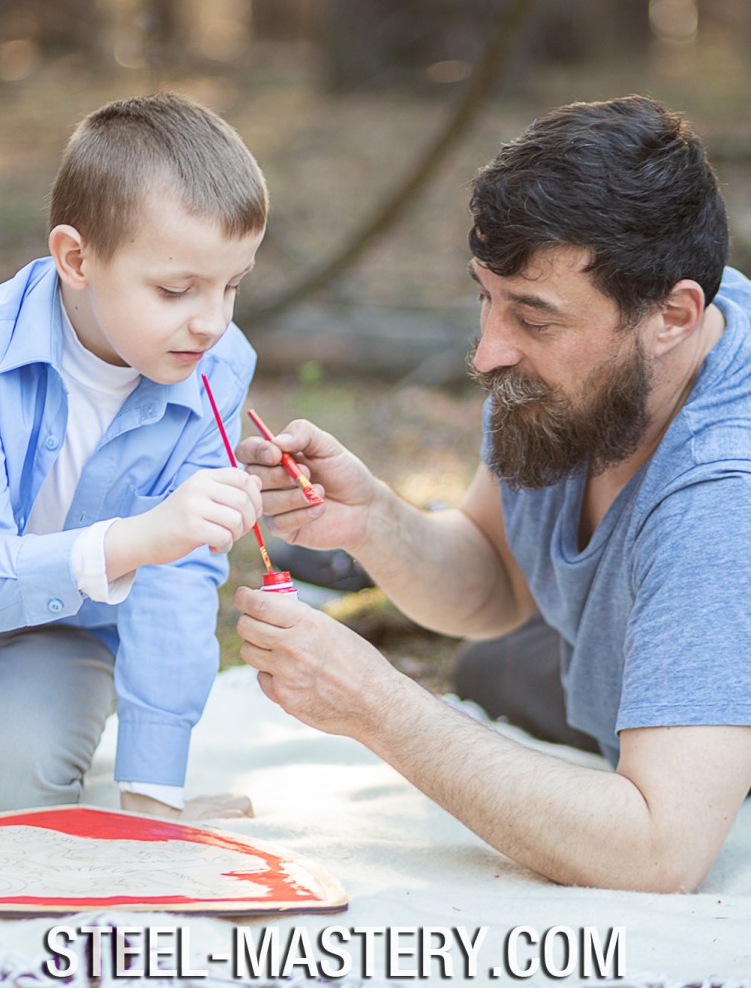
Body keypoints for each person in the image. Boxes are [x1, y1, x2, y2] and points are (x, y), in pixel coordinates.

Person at [234, 95, 751, 892]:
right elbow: (497, 580)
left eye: (534, 319)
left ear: (673, 316)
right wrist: (374, 522)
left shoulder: (721, 496)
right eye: (487, 297)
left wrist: (375, 703)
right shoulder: (594, 370)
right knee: (488, 669)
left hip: (712, 740)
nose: (487, 352)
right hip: (625, 641)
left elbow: (658, 852)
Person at [0, 93, 266, 820]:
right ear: (76, 259)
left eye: (232, 286)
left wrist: (153, 797)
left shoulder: (219, 370)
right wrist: (137, 539)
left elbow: (180, 579)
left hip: (63, 631)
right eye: (176, 290)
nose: (211, 322)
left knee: (10, 786)